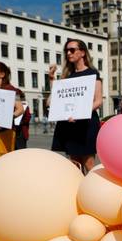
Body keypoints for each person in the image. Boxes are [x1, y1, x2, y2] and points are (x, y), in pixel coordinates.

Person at [49, 38, 103, 172]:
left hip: (86, 124)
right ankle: (77, 192)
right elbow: (53, 100)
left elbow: (98, 101)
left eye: (72, 50)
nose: (68, 53)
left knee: (89, 164)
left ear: (82, 52)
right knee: (74, 165)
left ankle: (91, 191)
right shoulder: (67, 76)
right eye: (66, 50)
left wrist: (79, 113)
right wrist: (52, 79)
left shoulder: (92, 74)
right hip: (69, 124)